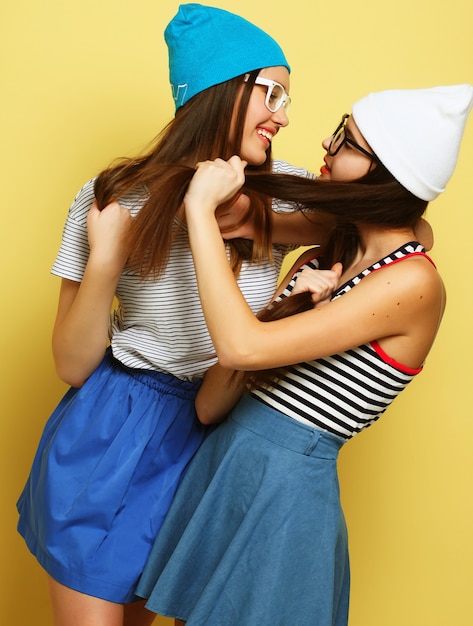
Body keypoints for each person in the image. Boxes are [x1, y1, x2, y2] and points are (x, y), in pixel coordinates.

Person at [16, 4, 331, 625]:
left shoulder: (283, 189)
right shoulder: (111, 194)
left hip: (216, 437)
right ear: (220, 89)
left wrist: (252, 219)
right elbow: (72, 363)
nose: (284, 116)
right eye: (271, 92)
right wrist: (106, 259)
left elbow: (408, 226)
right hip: (114, 432)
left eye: (286, 98)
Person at [135, 84, 473, 625]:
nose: (325, 142)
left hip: (283, 502)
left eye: (345, 140)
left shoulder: (412, 282)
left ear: (384, 170)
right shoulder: (325, 258)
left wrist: (199, 210)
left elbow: (240, 342)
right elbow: (210, 404)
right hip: (226, 471)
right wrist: (283, 309)